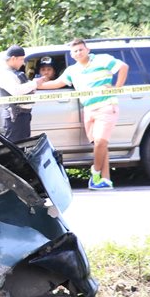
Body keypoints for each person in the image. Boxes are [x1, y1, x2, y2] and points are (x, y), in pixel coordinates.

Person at [38, 38, 129, 189]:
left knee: (101, 141)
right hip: (88, 109)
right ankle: (105, 180)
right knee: (99, 145)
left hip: (106, 106)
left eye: (81, 49)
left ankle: (95, 173)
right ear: (71, 54)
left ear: (87, 49)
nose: (78, 52)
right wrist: (34, 85)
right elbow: (56, 83)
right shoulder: (72, 70)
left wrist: (116, 87)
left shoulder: (102, 59)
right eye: (75, 51)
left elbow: (123, 67)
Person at [0, 44, 44, 143]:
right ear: (13, 58)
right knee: (16, 148)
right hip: (15, 116)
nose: (23, 63)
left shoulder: (11, 73)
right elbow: (16, 91)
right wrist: (34, 84)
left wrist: (31, 87)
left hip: (21, 116)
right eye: (21, 59)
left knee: (22, 146)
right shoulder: (4, 74)